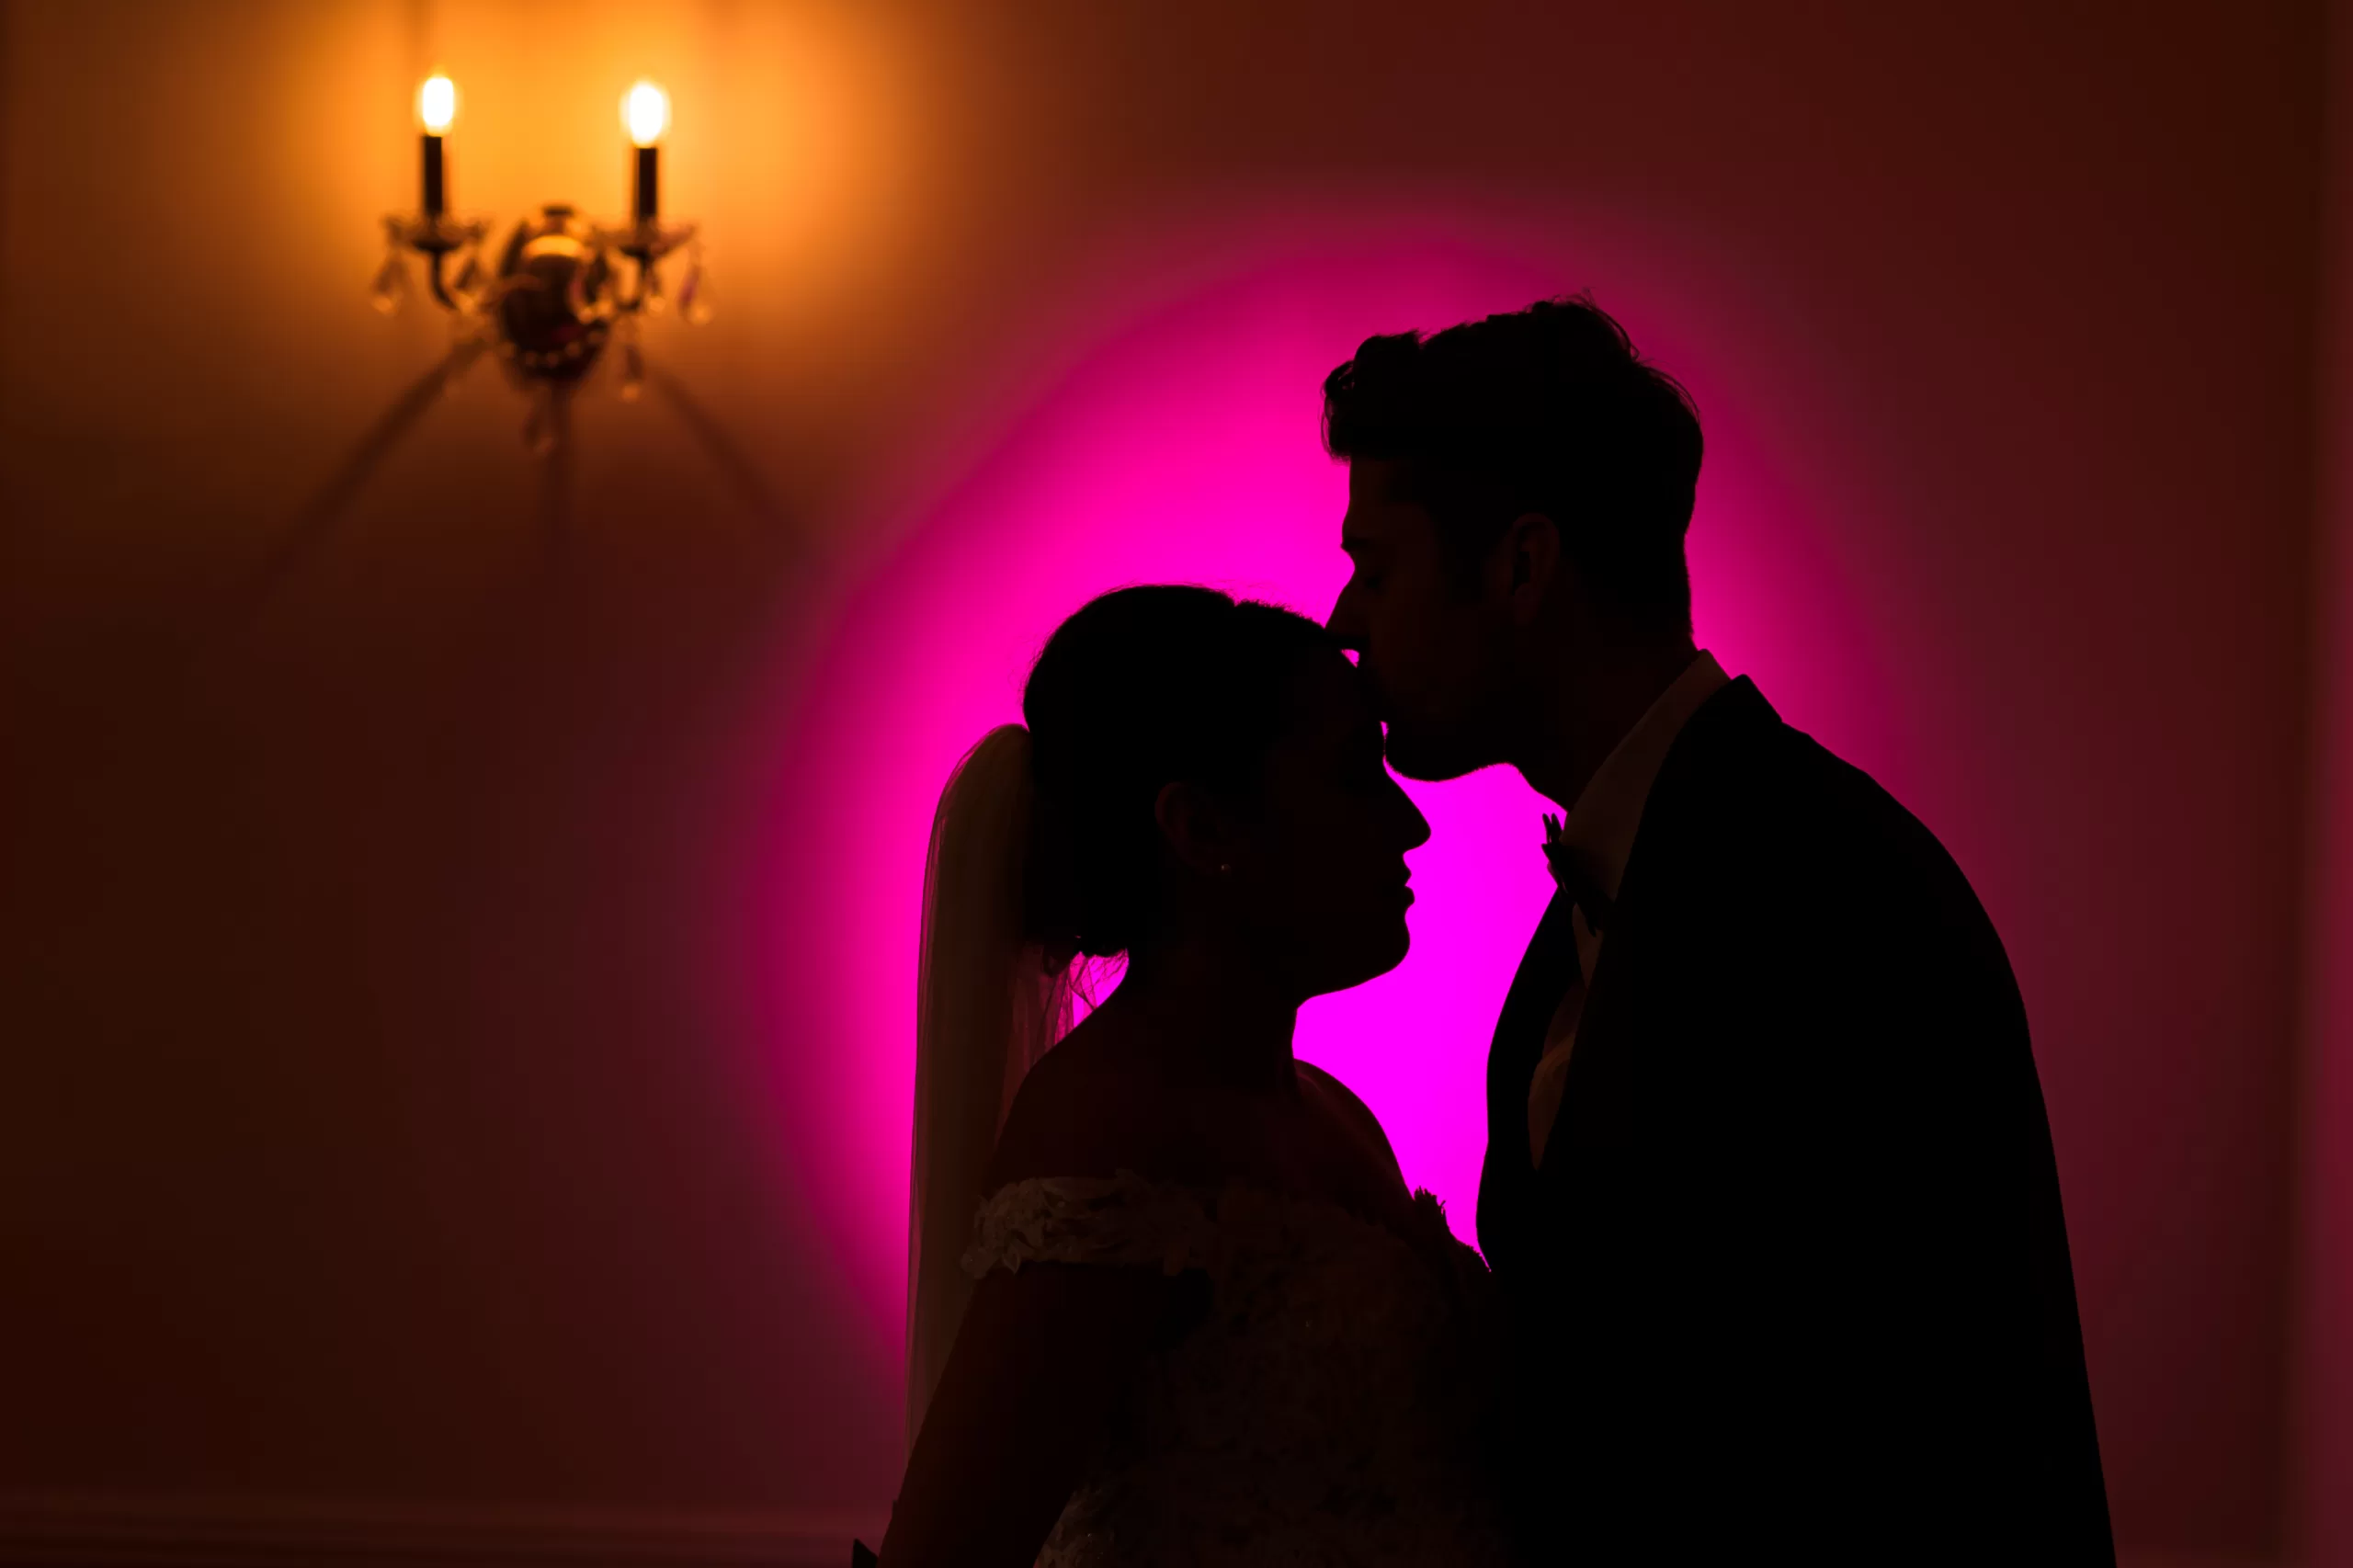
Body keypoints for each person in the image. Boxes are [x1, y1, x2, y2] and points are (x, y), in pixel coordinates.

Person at [1322, 296, 2115, 1562]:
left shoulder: (1832, 898)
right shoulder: (1621, 902)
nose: (1344, 624)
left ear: (1522, 567)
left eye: (1377, 562)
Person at [878, 585, 1516, 1567]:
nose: (1408, 822)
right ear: (1203, 829)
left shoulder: (1330, 1109)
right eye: (1354, 774)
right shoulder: (1105, 1135)